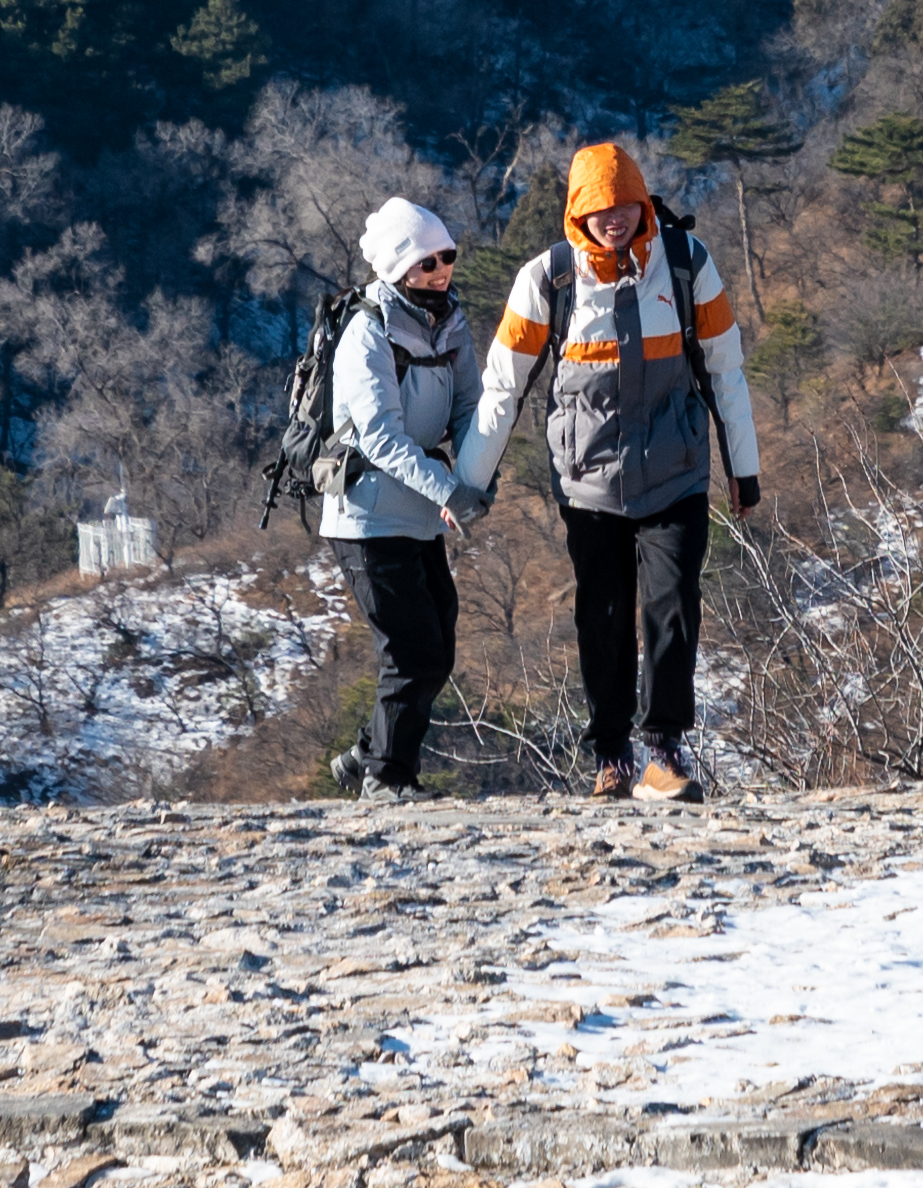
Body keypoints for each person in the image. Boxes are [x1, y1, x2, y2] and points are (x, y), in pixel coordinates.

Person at [461, 138, 759, 801]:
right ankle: (611, 754)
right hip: (588, 484)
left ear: (641, 201)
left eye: (624, 204)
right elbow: (501, 387)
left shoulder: (685, 263)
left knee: (672, 606)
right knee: (601, 616)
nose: (614, 218)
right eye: (600, 208)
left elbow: (725, 370)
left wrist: (745, 467)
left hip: (676, 472)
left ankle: (664, 750)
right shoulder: (549, 279)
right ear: (577, 213)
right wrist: (469, 482)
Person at [320, 195, 479, 798]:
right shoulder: (367, 332)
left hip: (416, 515)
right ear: (396, 270)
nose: (441, 270)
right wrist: (449, 488)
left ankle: (367, 755)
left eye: (447, 256)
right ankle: (388, 780)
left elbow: (468, 408)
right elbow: (380, 437)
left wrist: (474, 477)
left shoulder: (451, 321)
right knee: (410, 650)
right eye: (426, 262)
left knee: (437, 646)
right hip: (364, 516)